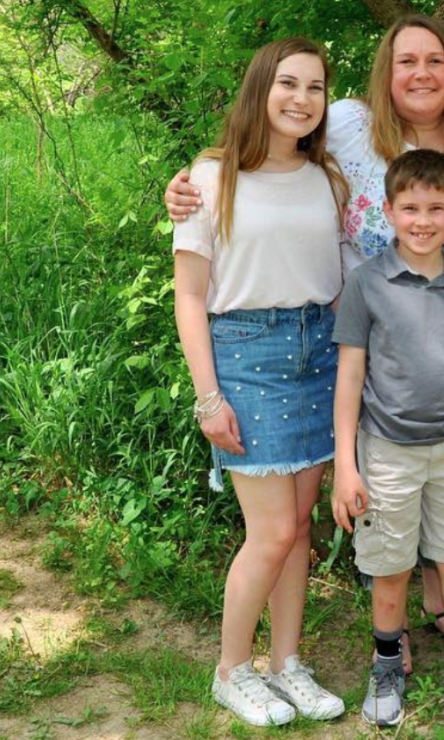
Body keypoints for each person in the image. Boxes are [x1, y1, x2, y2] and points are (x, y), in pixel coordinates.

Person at [164, 14, 444, 660]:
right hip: (354, 349)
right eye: (406, 61)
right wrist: (184, 189)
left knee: (434, 484)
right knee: (368, 495)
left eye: (435, 61)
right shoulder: (352, 133)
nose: (421, 73)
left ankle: (426, 610)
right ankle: (377, 635)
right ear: (386, 72)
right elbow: (242, 204)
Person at [172, 37, 347, 726]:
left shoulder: (329, 179)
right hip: (246, 357)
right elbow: (190, 297)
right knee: (270, 532)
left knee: (298, 528)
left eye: (315, 87)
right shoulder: (212, 179)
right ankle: (231, 669)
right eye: (288, 84)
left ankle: (286, 663)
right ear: (260, 90)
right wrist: (208, 397)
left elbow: (341, 280)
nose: (301, 98)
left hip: (321, 351)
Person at [331, 149, 444, 727]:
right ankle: (385, 665)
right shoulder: (366, 284)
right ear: (388, 212)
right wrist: (347, 467)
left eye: (434, 208)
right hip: (386, 452)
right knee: (390, 565)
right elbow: (350, 377)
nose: (422, 220)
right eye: (409, 208)